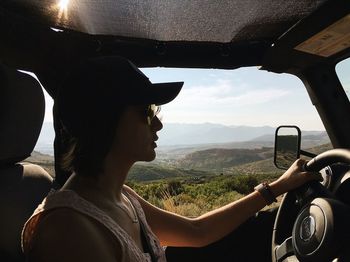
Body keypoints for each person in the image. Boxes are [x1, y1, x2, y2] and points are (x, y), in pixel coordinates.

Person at [21, 56, 321, 262]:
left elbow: (197, 232)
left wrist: (277, 188)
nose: (158, 124)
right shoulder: (68, 228)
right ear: (103, 120)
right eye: (146, 113)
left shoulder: (121, 197)